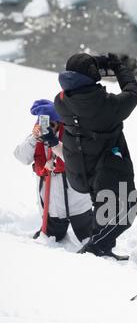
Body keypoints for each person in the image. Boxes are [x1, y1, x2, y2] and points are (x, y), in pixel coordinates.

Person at [54, 52, 137, 259]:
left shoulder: (61, 100)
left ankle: (102, 247)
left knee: (103, 206)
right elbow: (133, 93)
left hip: (82, 166)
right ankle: (96, 248)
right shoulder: (106, 105)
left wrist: (92, 66)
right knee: (128, 209)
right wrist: (119, 68)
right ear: (92, 75)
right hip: (107, 166)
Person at [14, 99, 93, 243]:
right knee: (50, 241)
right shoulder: (35, 139)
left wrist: (55, 148)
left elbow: (76, 159)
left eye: (52, 124)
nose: (48, 128)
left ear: (59, 122)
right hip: (53, 208)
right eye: (44, 124)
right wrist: (34, 139)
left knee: (90, 239)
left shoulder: (70, 135)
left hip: (78, 204)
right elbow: (21, 157)